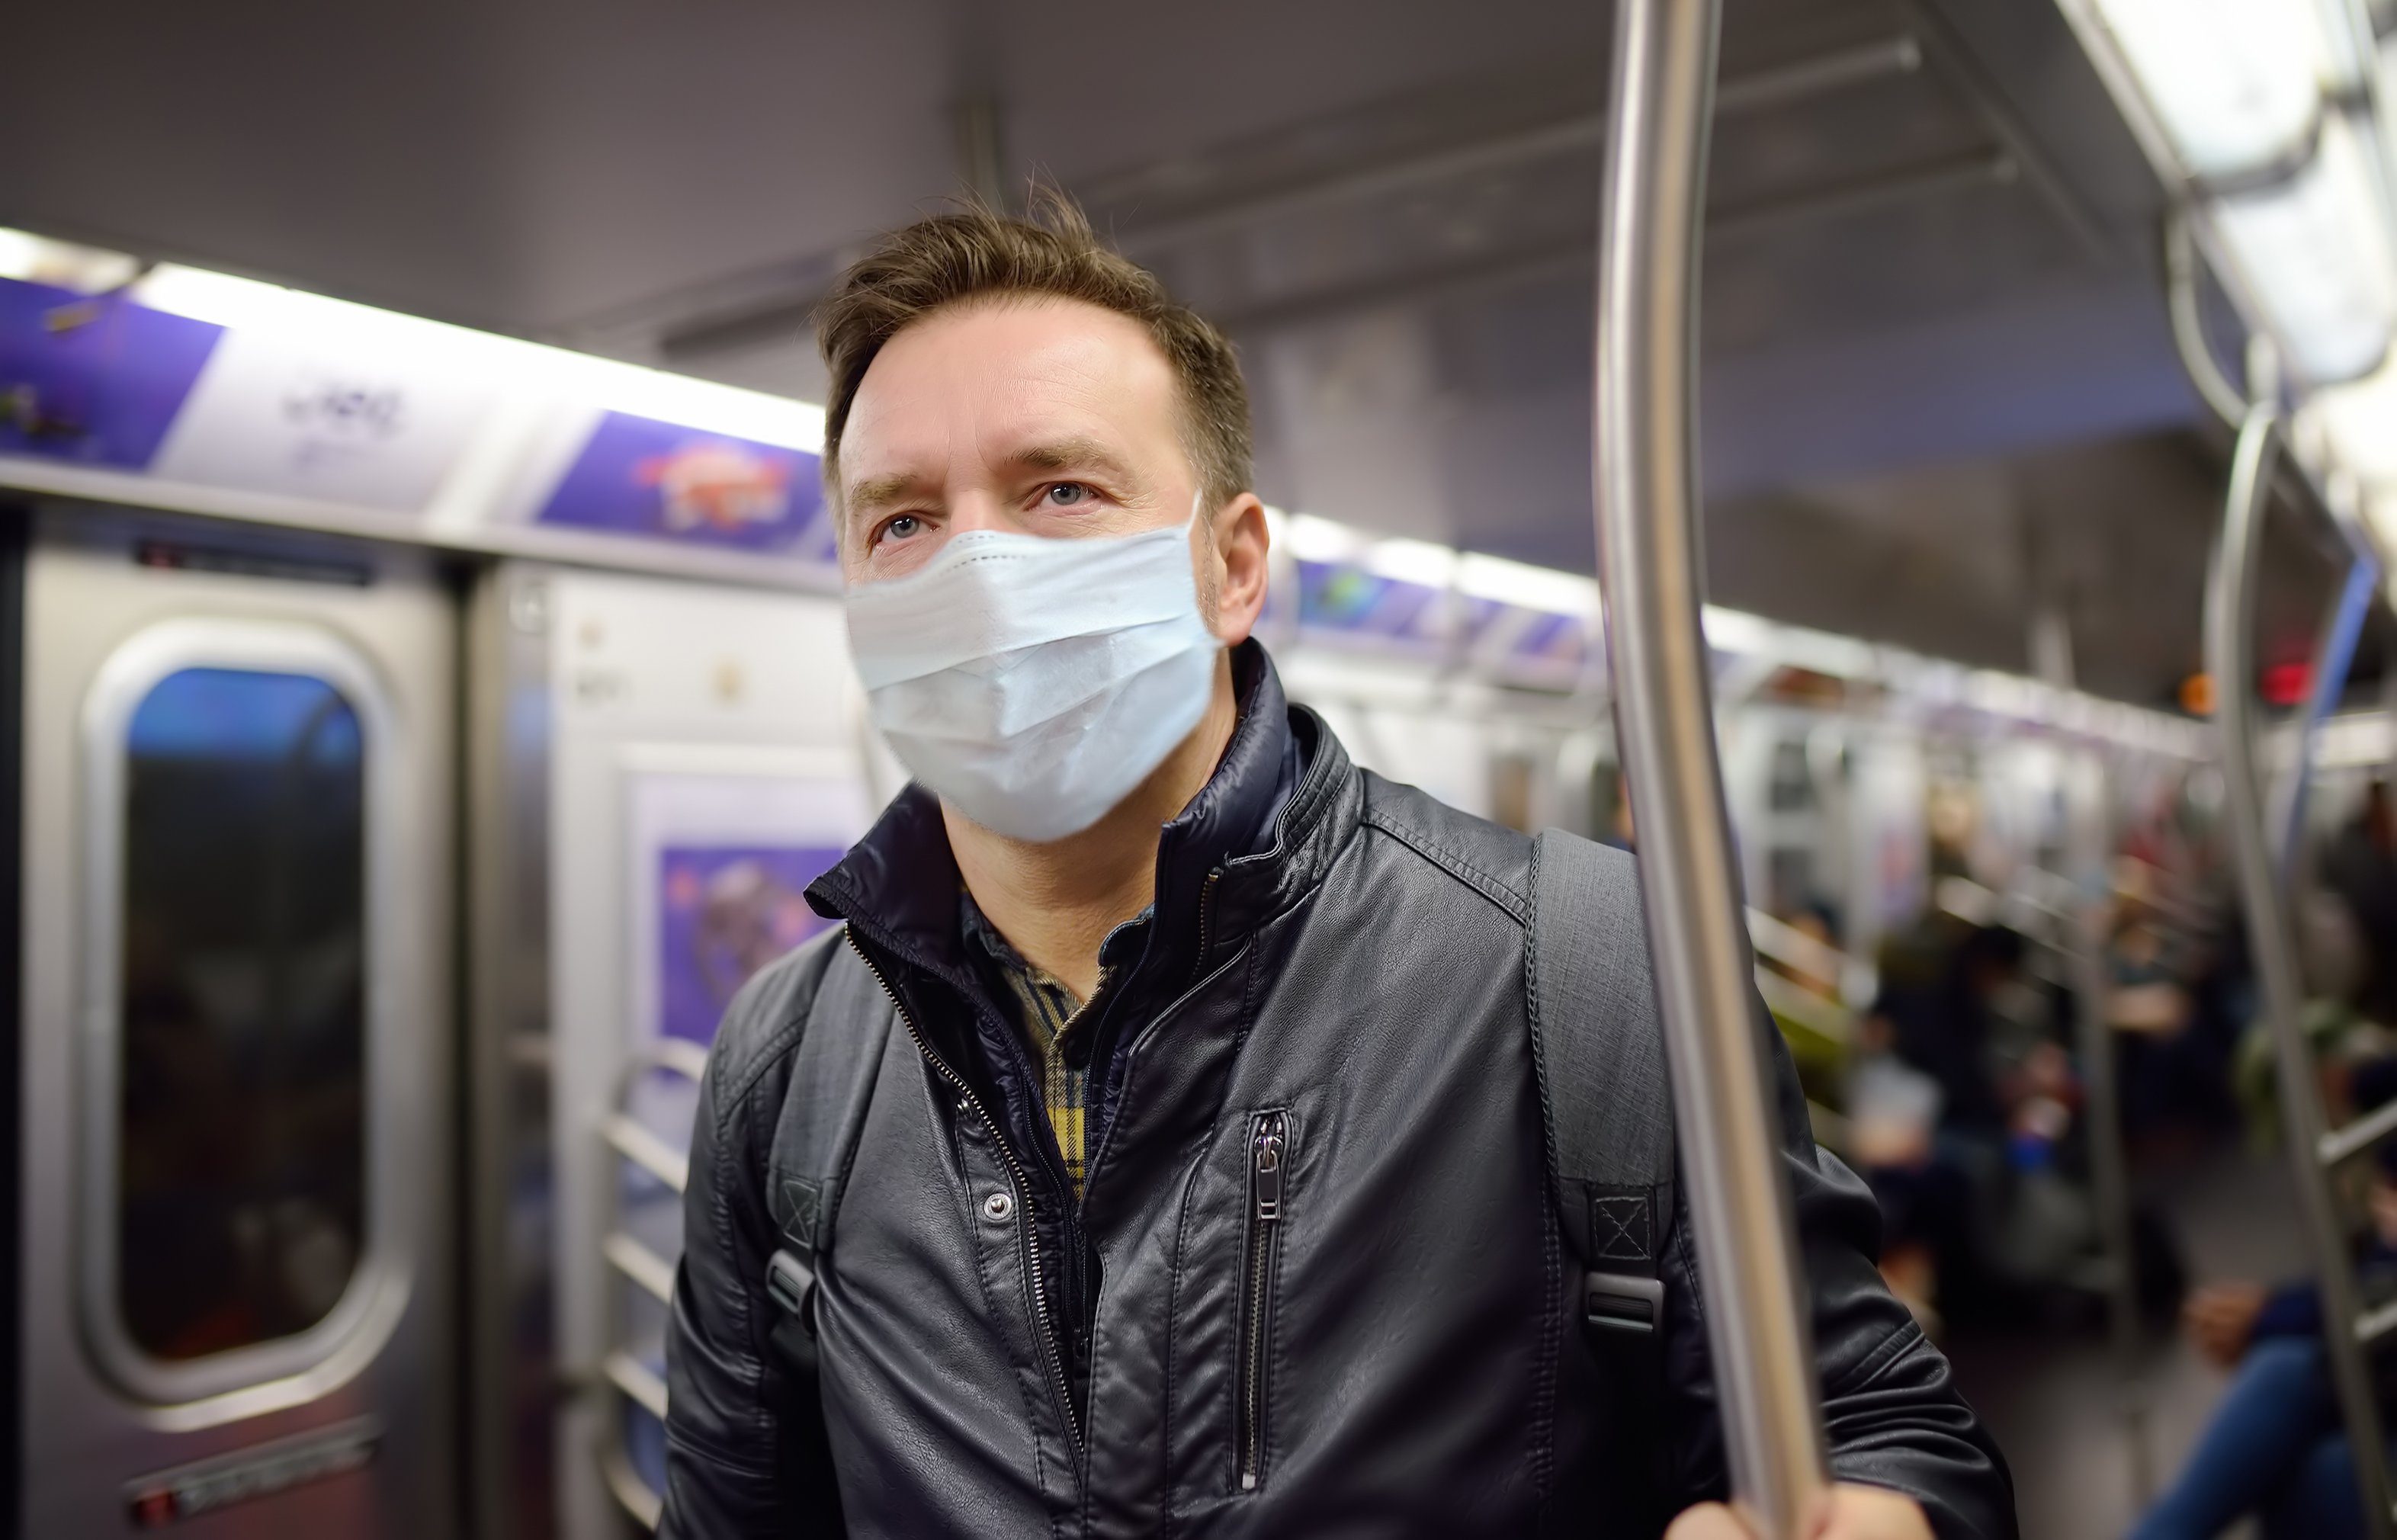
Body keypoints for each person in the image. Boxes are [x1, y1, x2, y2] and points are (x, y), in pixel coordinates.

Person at [658, 194, 2014, 1539]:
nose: (977, 571)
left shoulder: (1583, 975)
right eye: (900, 522)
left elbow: (1889, 1433)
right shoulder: (792, 1063)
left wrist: (1890, 1520)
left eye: (1060, 491)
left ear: (1231, 567)